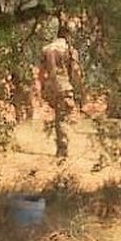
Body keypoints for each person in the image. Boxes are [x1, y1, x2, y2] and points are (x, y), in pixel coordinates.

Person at [38, 21, 85, 158]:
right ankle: (62, 149)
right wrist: (81, 89)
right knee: (62, 118)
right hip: (64, 86)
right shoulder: (70, 51)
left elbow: (41, 72)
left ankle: (60, 145)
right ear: (67, 35)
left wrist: (41, 88)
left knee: (59, 116)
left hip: (50, 87)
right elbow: (76, 71)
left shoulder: (46, 49)